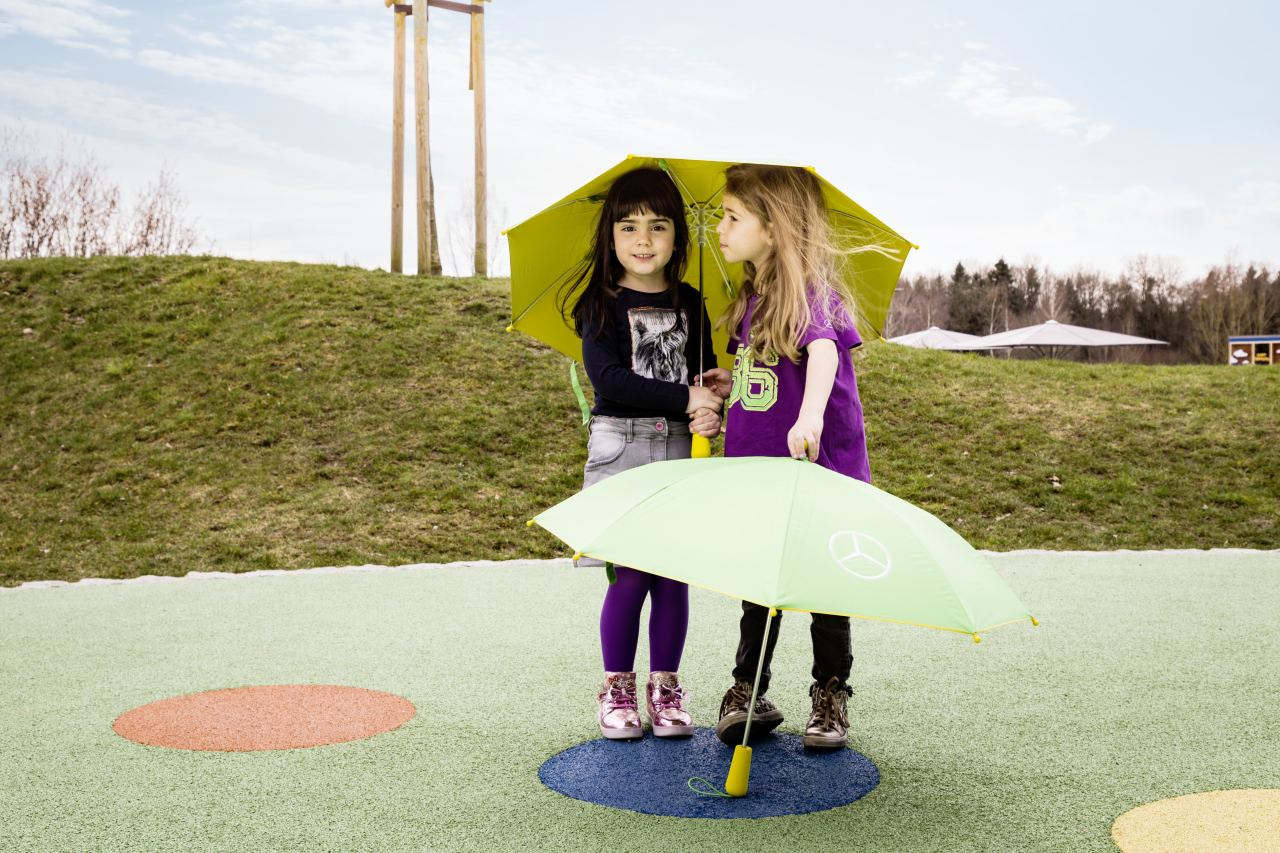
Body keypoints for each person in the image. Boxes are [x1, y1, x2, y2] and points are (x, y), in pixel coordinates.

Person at [698, 163, 880, 750]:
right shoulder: (754, 299)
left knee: (824, 585)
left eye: (732, 217)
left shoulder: (812, 294)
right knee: (762, 581)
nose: (720, 228)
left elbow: (822, 353)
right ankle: (748, 689)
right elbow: (771, 372)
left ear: (773, 227)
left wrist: (811, 416)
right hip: (763, 469)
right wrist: (732, 380)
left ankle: (830, 693)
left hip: (817, 467)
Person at [561, 167, 722, 740]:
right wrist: (685, 397)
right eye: (628, 227)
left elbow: (701, 377)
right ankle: (617, 690)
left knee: (673, 578)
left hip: (679, 446)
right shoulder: (600, 303)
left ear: (678, 235)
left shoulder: (691, 302)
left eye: (658, 226)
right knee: (629, 575)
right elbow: (611, 379)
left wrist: (710, 403)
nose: (644, 240)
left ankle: (666, 689)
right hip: (622, 444)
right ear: (611, 236)